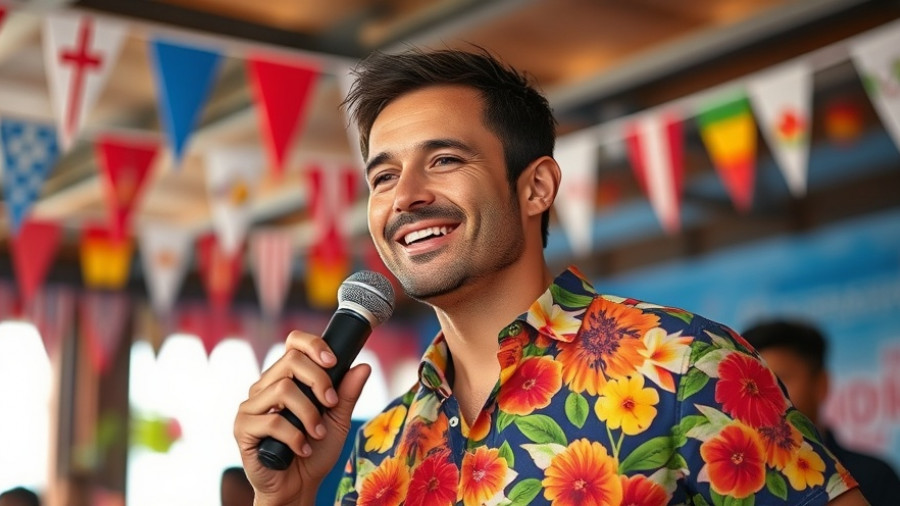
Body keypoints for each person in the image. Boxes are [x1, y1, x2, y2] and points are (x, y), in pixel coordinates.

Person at [234, 47, 867, 505]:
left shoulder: (684, 366)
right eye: (383, 176)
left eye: (445, 159)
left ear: (536, 186)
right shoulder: (378, 445)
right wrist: (284, 500)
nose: (406, 196)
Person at [743, 319, 900, 506]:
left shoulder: (873, 477)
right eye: (754, 383)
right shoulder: (737, 487)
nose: (765, 392)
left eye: (779, 379)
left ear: (821, 383)